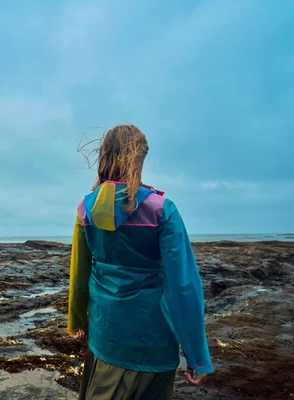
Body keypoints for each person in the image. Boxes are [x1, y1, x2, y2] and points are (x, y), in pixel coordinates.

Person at [68, 124, 213, 399]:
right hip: (153, 342)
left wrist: (76, 320)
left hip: (105, 338)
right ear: (139, 160)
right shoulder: (162, 210)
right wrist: (197, 356)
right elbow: (183, 287)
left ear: (104, 156)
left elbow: (79, 273)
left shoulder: (85, 209)